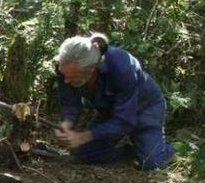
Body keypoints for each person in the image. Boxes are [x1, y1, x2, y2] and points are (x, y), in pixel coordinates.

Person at [54, 32, 175, 170]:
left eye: (72, 77)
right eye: (64, 76)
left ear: (92, 69)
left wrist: (82, 137)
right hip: (111, 111)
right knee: (84, 154)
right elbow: (70, 101)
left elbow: (124, 120)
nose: (66, 81)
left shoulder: (123, 66)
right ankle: (133, 152)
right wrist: (67, 122)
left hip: (145, 108)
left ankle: (169, 149)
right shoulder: (65, 68)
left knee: (152, 163)